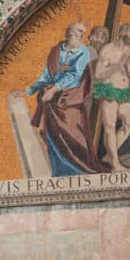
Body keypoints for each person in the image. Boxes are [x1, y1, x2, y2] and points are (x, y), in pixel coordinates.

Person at [21, 22, 99, 175]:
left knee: (75, 134)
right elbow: (47, 74)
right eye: (78, 32)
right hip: (52, 98)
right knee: (52, 135)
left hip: (70, 98)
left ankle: (81, 170)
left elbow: (74, 74)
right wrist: (29, 90)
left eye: (82, 33)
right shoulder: (57, 50)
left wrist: (55, 89)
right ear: (69, 33)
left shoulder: (83, 51)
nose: (81, 35)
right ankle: (60, 171)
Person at [93, 23, 130, 171]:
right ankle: (115, 164)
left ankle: (108, 155)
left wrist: (129, 64)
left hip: (123, 93)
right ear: (122, 33)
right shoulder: (108, 50)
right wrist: (118, 64)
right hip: (109, 91)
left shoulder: (127, 51)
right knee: (110, 127)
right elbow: (99, 74)